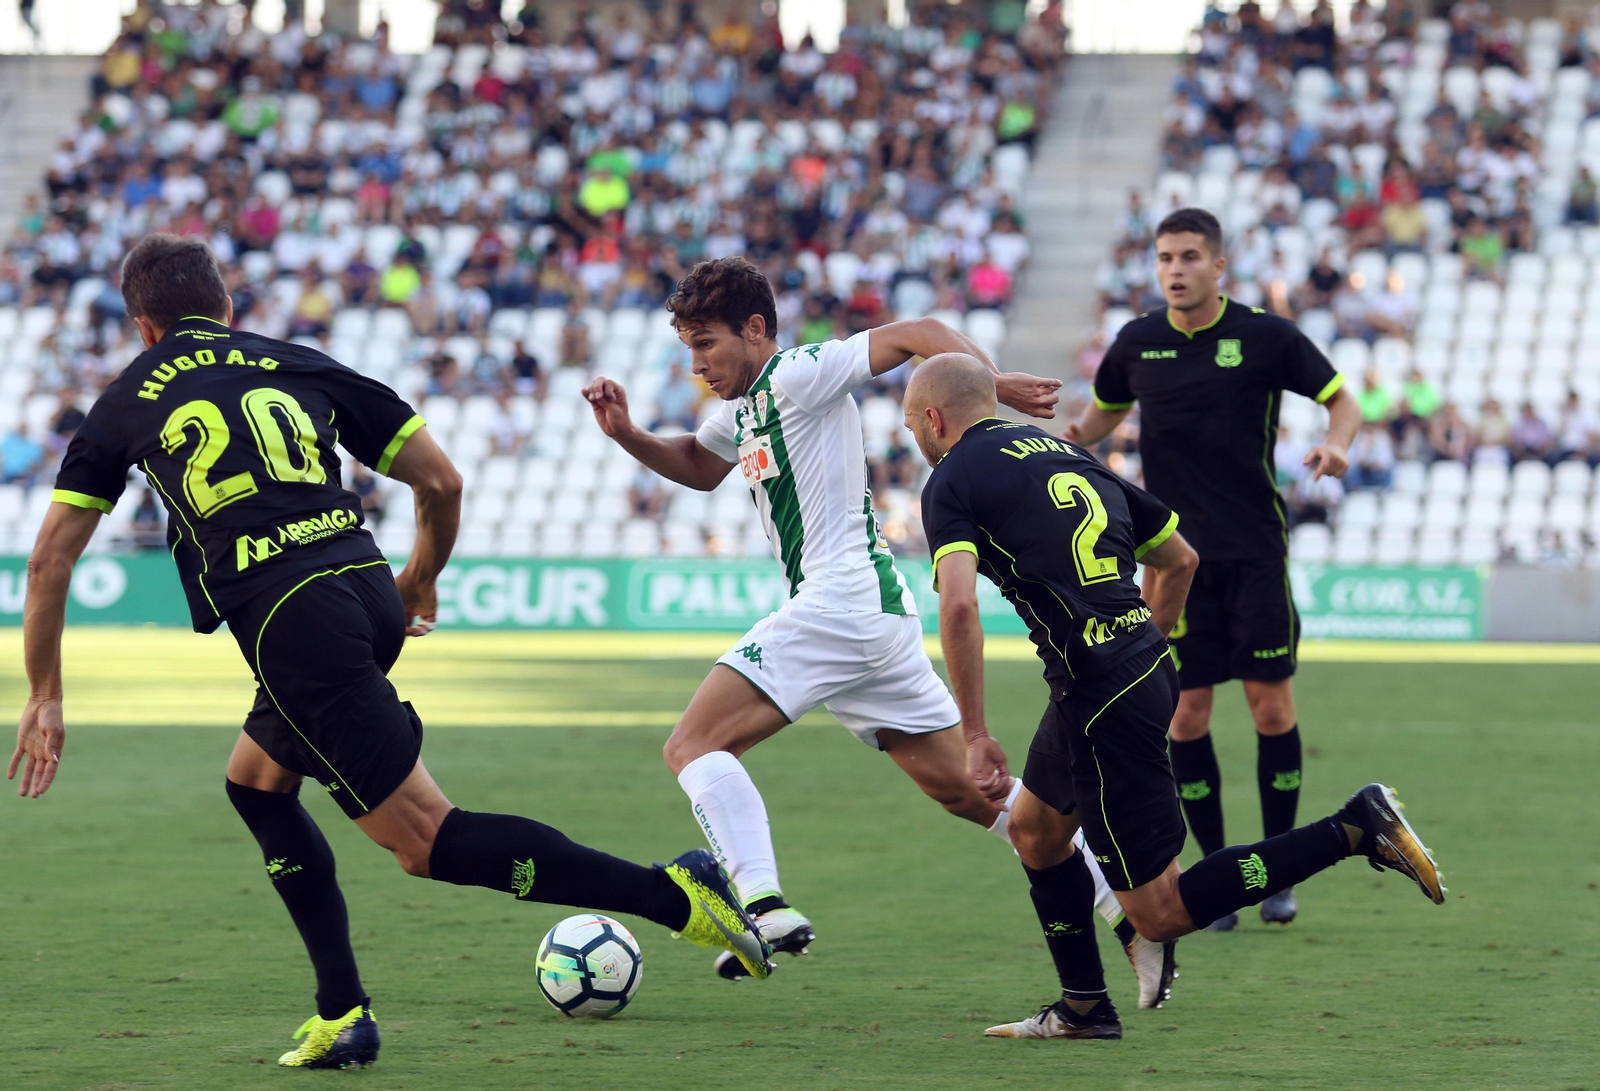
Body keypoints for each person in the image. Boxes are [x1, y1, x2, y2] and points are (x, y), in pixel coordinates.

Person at [9, 235, 770, 1070]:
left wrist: (43, 692)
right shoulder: (298, 361)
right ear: (227, 309)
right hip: (364, 587)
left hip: (292, 627)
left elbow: (50, 559)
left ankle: (673, 893)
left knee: (424, 841)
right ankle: (341, 1010)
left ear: (145, 328)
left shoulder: (124, 400)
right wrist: (417, 580)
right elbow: (441, 481)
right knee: (257, 786)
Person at [584, 258, 1174, 1006]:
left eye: (707, 343)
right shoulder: (739, 413)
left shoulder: (801, 374)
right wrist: (627, 432)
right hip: (871, 617)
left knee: (692, 745)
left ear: (757, 329)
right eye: (689, 348)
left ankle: (762, 906)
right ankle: (1128, 917)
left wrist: (989, 388)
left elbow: (923, 333)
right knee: (973, 794)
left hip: (840, 603)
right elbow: (700, 468)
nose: (698, 363)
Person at [909, 353, 1444, 1041]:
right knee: (1035, 831)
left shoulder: (951, 477)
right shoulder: (1067, 455)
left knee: (1159, 910)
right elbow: (1179, 558)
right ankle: (1082, 1008)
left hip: (1102, 695)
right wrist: (1145, 639)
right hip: (1131, 669)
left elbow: (957, 609)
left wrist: (976, 731)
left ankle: (1352, 826)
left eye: (910, 424)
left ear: (932, 418)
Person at [1066, 208, 1361, 930]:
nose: (1174, 268)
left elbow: (1341, 399)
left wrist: (1338, 444)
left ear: (1218, 266)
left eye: (1190, 256)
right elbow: (1100, 416)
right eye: (1166, 256)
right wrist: (1061, 442)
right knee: (1187, 714)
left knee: (1271, 707)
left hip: (1255, 549)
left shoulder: (1265, 336)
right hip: (1172, 559)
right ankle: (1222, 868)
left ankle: (1276, 871)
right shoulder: (1137, 342)